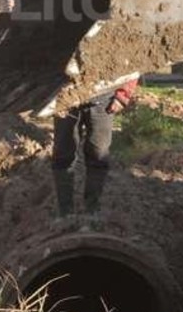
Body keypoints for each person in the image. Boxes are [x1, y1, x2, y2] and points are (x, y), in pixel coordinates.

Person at [52, 79, 137, 218]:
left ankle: (92, 208)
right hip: (65, 97)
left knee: (99, 155)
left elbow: (134, 60)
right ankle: (65, 211)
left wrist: (122, 95)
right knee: (63, 155)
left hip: (104, 98)